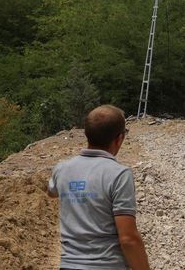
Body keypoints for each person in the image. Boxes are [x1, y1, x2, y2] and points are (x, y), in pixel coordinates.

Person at [47, 104, 150, 270]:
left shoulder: (61, 169)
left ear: (87, 134)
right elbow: (128, 239)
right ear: (119, 139)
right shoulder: (119, 174)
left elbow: (51, 192)